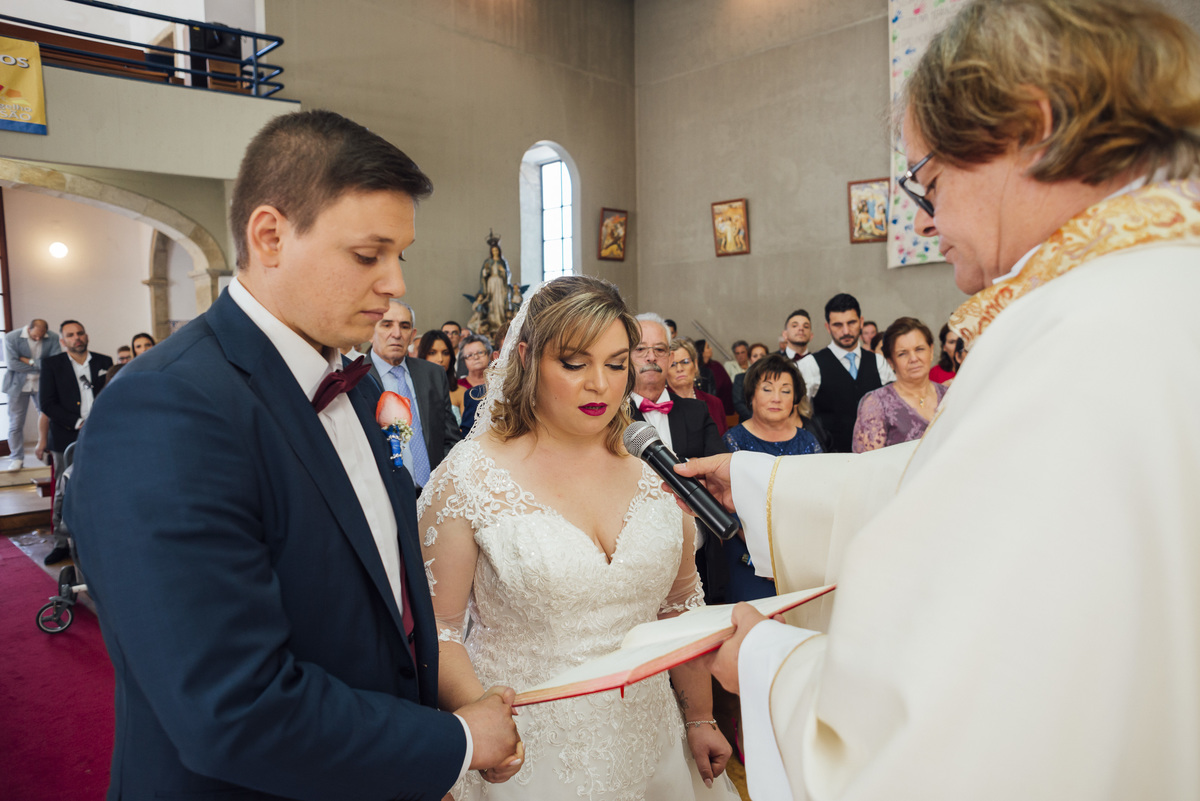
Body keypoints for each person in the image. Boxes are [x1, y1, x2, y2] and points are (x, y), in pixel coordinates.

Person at [672, 2, 1200, 798]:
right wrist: (757, 483)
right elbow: (961, 481)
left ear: (1030, 129)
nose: (930, 222)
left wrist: (770, 662)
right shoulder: (1143, 292)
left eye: (930, 184)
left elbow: (945, 734)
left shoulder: (1087, 334)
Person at [65, 110, 519, 801]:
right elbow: (232, 707)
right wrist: (453, 744)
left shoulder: (358, 386)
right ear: (270, 236)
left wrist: (421, 750)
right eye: (368, 255)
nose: (395, 283)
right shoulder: (166, 407)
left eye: (400, 255)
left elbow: (385, 600)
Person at [419, 276, 737, 800]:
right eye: (574, 363)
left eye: (616, 364)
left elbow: (679, 607)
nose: (600, 385)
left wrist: (699, 717)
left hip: (654, 742)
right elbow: (440, 629)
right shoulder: (470, 476)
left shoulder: (653, 467)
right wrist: (481, 718)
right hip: (526, 749)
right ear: (528, 358)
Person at [721, 354, 821, 602]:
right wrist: (769, 557)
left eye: (785, 391)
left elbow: (819, 501)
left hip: (802, 550)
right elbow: (732, 508)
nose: (777, 398)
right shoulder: (733, 441)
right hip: (747, 551)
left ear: (795, 399)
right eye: (767, 389)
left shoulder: (808, 440)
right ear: (751, 396)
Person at [367, 300, 462, 488]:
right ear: (370, 332)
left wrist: (442, 481)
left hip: (434, 491)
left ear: (412, 335)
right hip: (384, 492)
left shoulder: (433, 374)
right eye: (387, 325)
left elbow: (450, 437)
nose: (396, 334)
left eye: (404, 326)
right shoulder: (356, 378)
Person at [40, 320, 112, 565]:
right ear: (62, 341)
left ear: (87, 335)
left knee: (101, 486)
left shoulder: (104, 361)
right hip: (66, 436)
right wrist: (77, 422)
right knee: (64, 490)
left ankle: (99, 537)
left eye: (80, 333)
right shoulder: (52, 365)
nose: (77, 338)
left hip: (100, 435)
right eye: (70, 335)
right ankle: (61, 543)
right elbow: (47, 404)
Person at [796, 294, 896, 452]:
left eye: (851, 323)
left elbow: (894, 408)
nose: (846, 331)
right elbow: (800, 414)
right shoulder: (810, 365)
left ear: (861, 322)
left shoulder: (879, 362)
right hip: (831, 456)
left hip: (876, 454)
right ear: (828, 327)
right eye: (838, 325)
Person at [852, 317, 947, 453]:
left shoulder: (950, 395)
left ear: (931, 351)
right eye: (902, 354)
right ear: (891, 362)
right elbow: (866, 462)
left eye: (919, 349)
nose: (913, 358)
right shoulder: (877, 403)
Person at [3, 318, 60, 471]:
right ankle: (16, 458)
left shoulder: (53, 337)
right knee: (16, 422)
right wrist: (42, 365)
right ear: (29, 328)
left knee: (49, 417)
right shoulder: (11, 337)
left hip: (43, 383)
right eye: (35, 335)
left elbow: (55, 362)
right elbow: (12, 364)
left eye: (41, 336)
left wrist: (30, 361)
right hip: (17, 385)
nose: (38, 338)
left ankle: (49, 452)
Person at [668, 338, 727, 436]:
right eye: (672, 365)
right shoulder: (660, 406)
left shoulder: (715, 403)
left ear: (695, 365)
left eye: (685, 362)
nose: (679, 369)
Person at [419, 329, 465, 422]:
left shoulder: (461, 392)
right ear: (423, 355)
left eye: (445, 353)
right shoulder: (413, 389)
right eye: (432, 353)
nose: (440, 359)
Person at [732, 342, 770, 422]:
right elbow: (738, 403)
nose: (759, 358)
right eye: (755, 356)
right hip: (748, 421)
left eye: (762, 355)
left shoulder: (774, 379)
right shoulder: (740, 378)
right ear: (749, 359)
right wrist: (755, 418)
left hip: (772, 421)